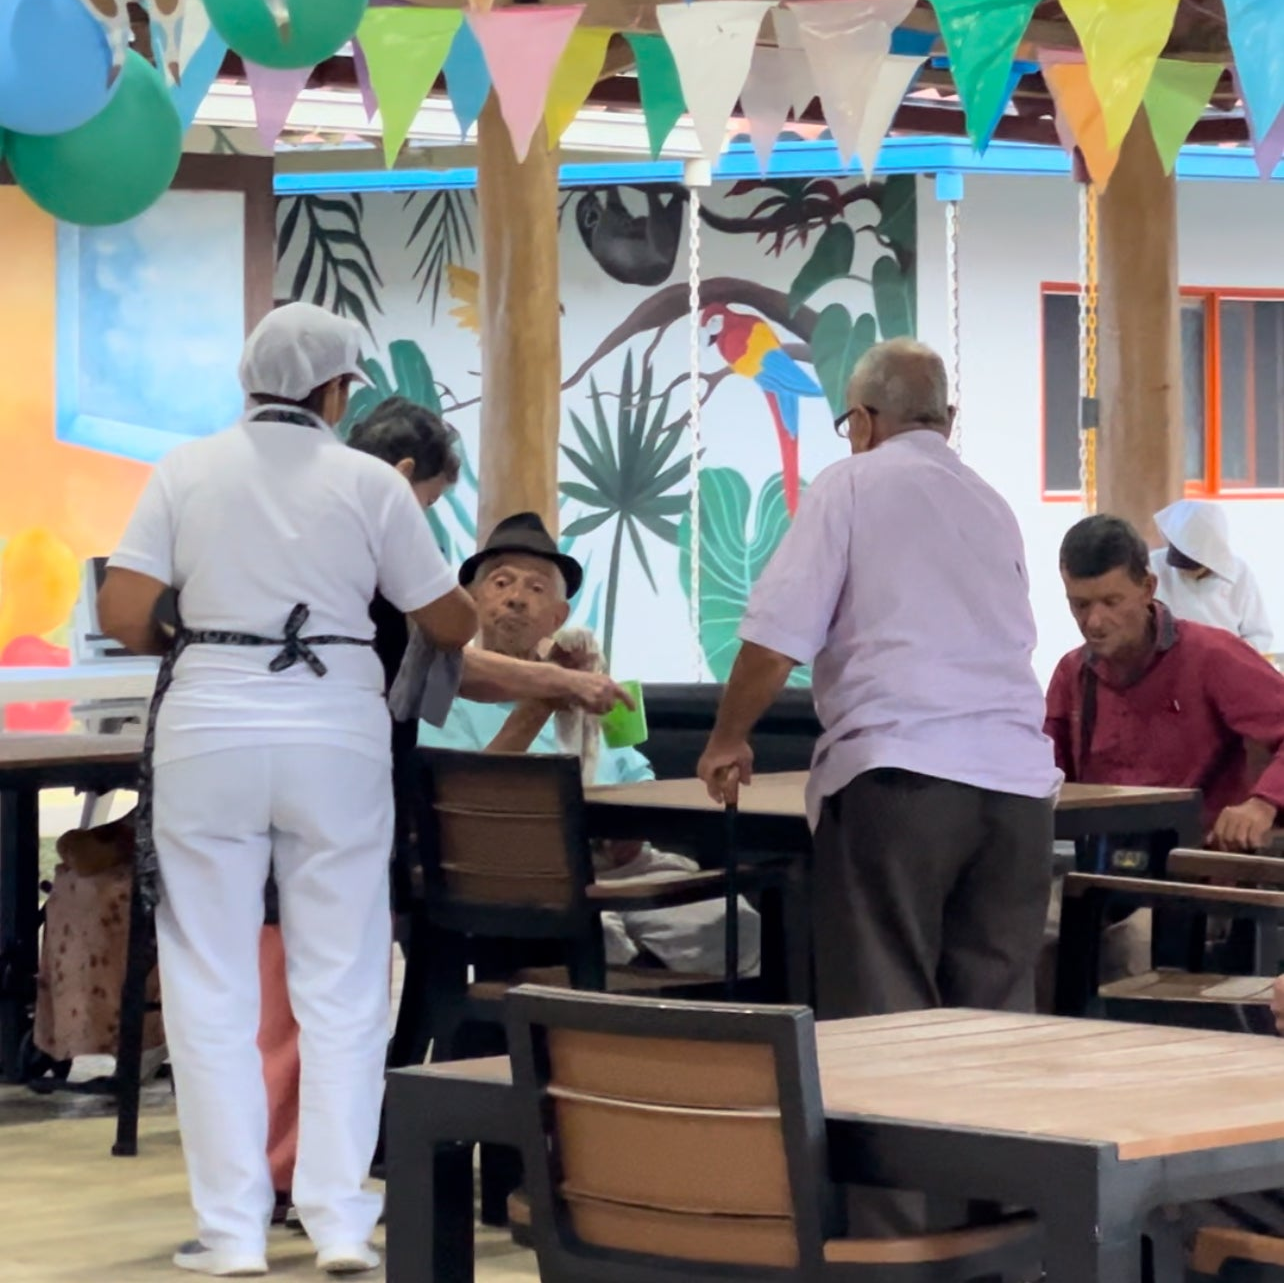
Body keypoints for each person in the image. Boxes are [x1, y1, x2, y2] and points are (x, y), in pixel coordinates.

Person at [97, 302, 484, 1279]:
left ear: (249, 380)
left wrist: (212, 626)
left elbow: (126, 611)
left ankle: (232, 1234)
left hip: (209, 731)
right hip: (336, 733)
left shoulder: (185, 469)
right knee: (343, 980)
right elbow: (449, 618)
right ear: (335, 390)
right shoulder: (370, 481)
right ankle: (340, 1223)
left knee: (210, 979)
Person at [254, 402, 628, 1220]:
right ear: (400, 480)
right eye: (425, 504)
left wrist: (560, 686)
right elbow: (455, 670)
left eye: (537, 589)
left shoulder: (283, 535)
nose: (514, 601)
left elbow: (445, 671)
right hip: (342, 808)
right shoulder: (371, 563)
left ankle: (288, 1175)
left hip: (278, 789)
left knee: (288, 991)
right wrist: (557, 686)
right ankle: (294, 1177)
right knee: (310, 995)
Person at [697, 338, 1059, 1021]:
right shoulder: (992, 506)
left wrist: (727, 739)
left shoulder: (850, 484)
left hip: (901, 779)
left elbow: (776, 638)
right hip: (1018, 792)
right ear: (946, 418)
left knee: (885, 1011)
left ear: (861, 423)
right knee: (994, 1022)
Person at [415, 511, 761, 976]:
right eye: (500, 583)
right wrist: (541, 702)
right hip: (518, 875)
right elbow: (461, 804)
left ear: (558, 617)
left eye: (536, 588)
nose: (516, 598)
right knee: (598, 937)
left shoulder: (591, 690)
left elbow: (638, 778)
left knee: (734, 924)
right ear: (473, 600)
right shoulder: (443, 695)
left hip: (622, 870)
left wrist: (633, 833)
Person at [1046, 514, 1284, 853]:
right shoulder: (1071, 673)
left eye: (1111, 602)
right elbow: (1045, 776)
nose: (1094, 621)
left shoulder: (1211, 655)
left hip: (1197, 865)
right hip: (1099, 866)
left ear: (1148, 588)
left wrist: (1262, 804)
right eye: (1080, 605)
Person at [1150, 498, 1272, 653]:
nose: (1182, 571)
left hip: (1226, 659)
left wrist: (1233, 655)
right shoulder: (1153, 565)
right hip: (1169, 659)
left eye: (1191, 565)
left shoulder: (1240, 573)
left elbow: (1259, 635)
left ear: (1210, 563)